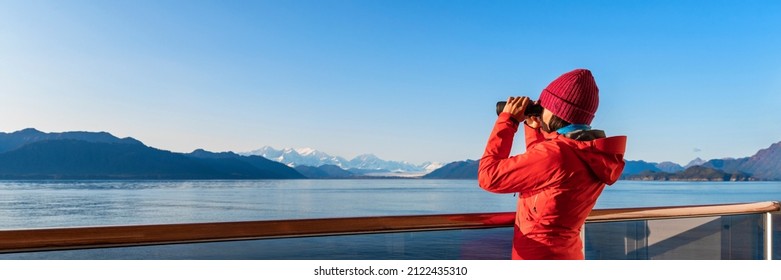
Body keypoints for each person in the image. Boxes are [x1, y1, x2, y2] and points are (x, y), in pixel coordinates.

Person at [478, 69, 627, 260]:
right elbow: (545, 173)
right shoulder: (589, 152)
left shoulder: (557, 155)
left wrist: (508, 121)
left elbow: (488, 177)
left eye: (543, 106)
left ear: (556, 111)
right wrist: (533, 129)